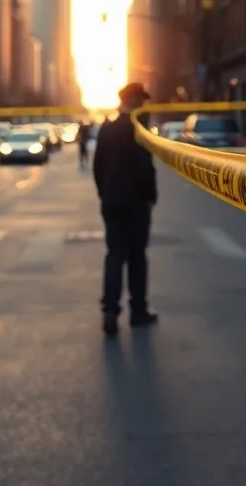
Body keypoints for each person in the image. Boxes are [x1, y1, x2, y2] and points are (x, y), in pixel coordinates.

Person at [92, 82, 158, 335]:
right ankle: (138, 311)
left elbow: (98, 166)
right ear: (137, 101)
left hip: (111, 201)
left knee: (114, 255)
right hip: (136, 203)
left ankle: (110, 310)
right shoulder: (137, 129)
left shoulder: (107, 129)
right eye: (142, 100)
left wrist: (104, 194)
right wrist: (150, 195)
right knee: (137, 257)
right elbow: (144, 167)